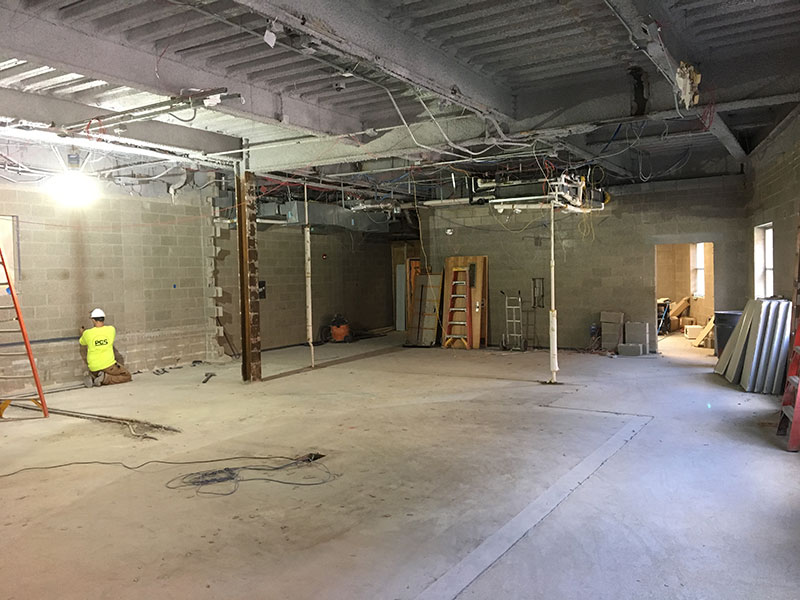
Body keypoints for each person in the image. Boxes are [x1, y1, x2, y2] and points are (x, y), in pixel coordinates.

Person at [79, 308, 132, 388]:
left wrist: (83, 334)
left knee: (97, 371)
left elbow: (82, 342)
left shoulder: (87, 333)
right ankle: (104, 378)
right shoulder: (111, 330)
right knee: (127, 376)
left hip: (94, 367)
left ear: (93, 320)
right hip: (109, 366)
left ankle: (94, 377)